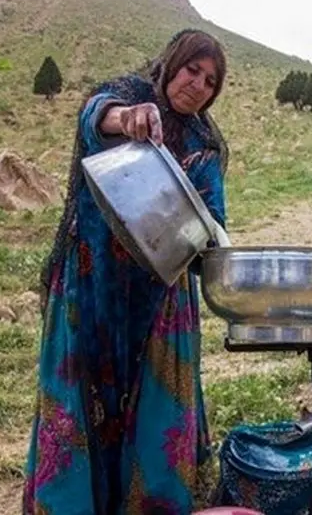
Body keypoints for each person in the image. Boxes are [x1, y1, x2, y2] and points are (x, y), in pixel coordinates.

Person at [22, 28, 230, 515]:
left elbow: (212, 222)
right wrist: (129, 119)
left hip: (161, 289)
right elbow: (96, 116)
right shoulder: (128, 98)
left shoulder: (204, 145)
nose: (197, 85)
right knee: (82, 395)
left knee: (156, 408)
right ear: (170, 64)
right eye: (191, 70)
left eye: (210, 81)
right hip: (92, 276)